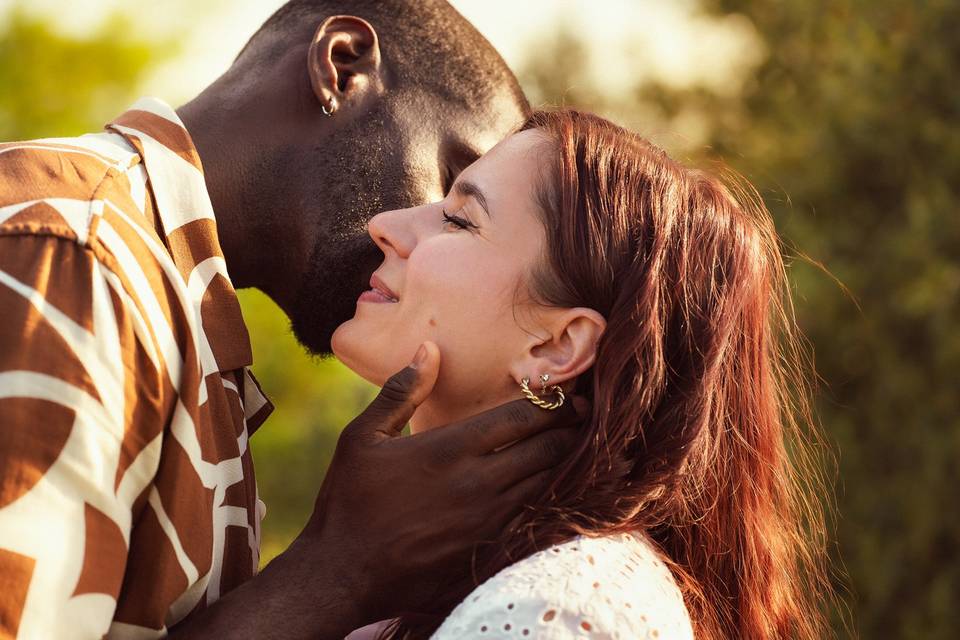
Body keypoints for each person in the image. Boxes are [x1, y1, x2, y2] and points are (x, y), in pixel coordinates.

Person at [0, 2, 584, 638]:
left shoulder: (160, 295)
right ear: (341, 66)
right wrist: (337, 570)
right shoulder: (75, 258)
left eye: (458, 218)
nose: (404, 234)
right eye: (449, 187)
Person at [332, 110, 835, 639]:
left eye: (460, 220)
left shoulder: (554, 613)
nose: (385, 225)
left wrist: (333, 564)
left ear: (557, 345)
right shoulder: (459, 591)